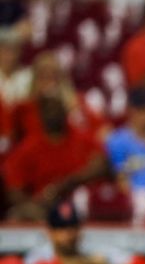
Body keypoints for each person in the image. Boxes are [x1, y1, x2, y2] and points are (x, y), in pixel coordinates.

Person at [3, 85, 108, 221]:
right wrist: (34, 202)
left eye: (56, 107)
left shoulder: (81, 138)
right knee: (18, 215)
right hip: (44, 208)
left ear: (65, 110)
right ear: (40, 114)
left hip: (79, 201)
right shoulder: (29, 146)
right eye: (47, 108)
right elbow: (13, 188)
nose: (52, 112)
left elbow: (102, 165)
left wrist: (67, 183)